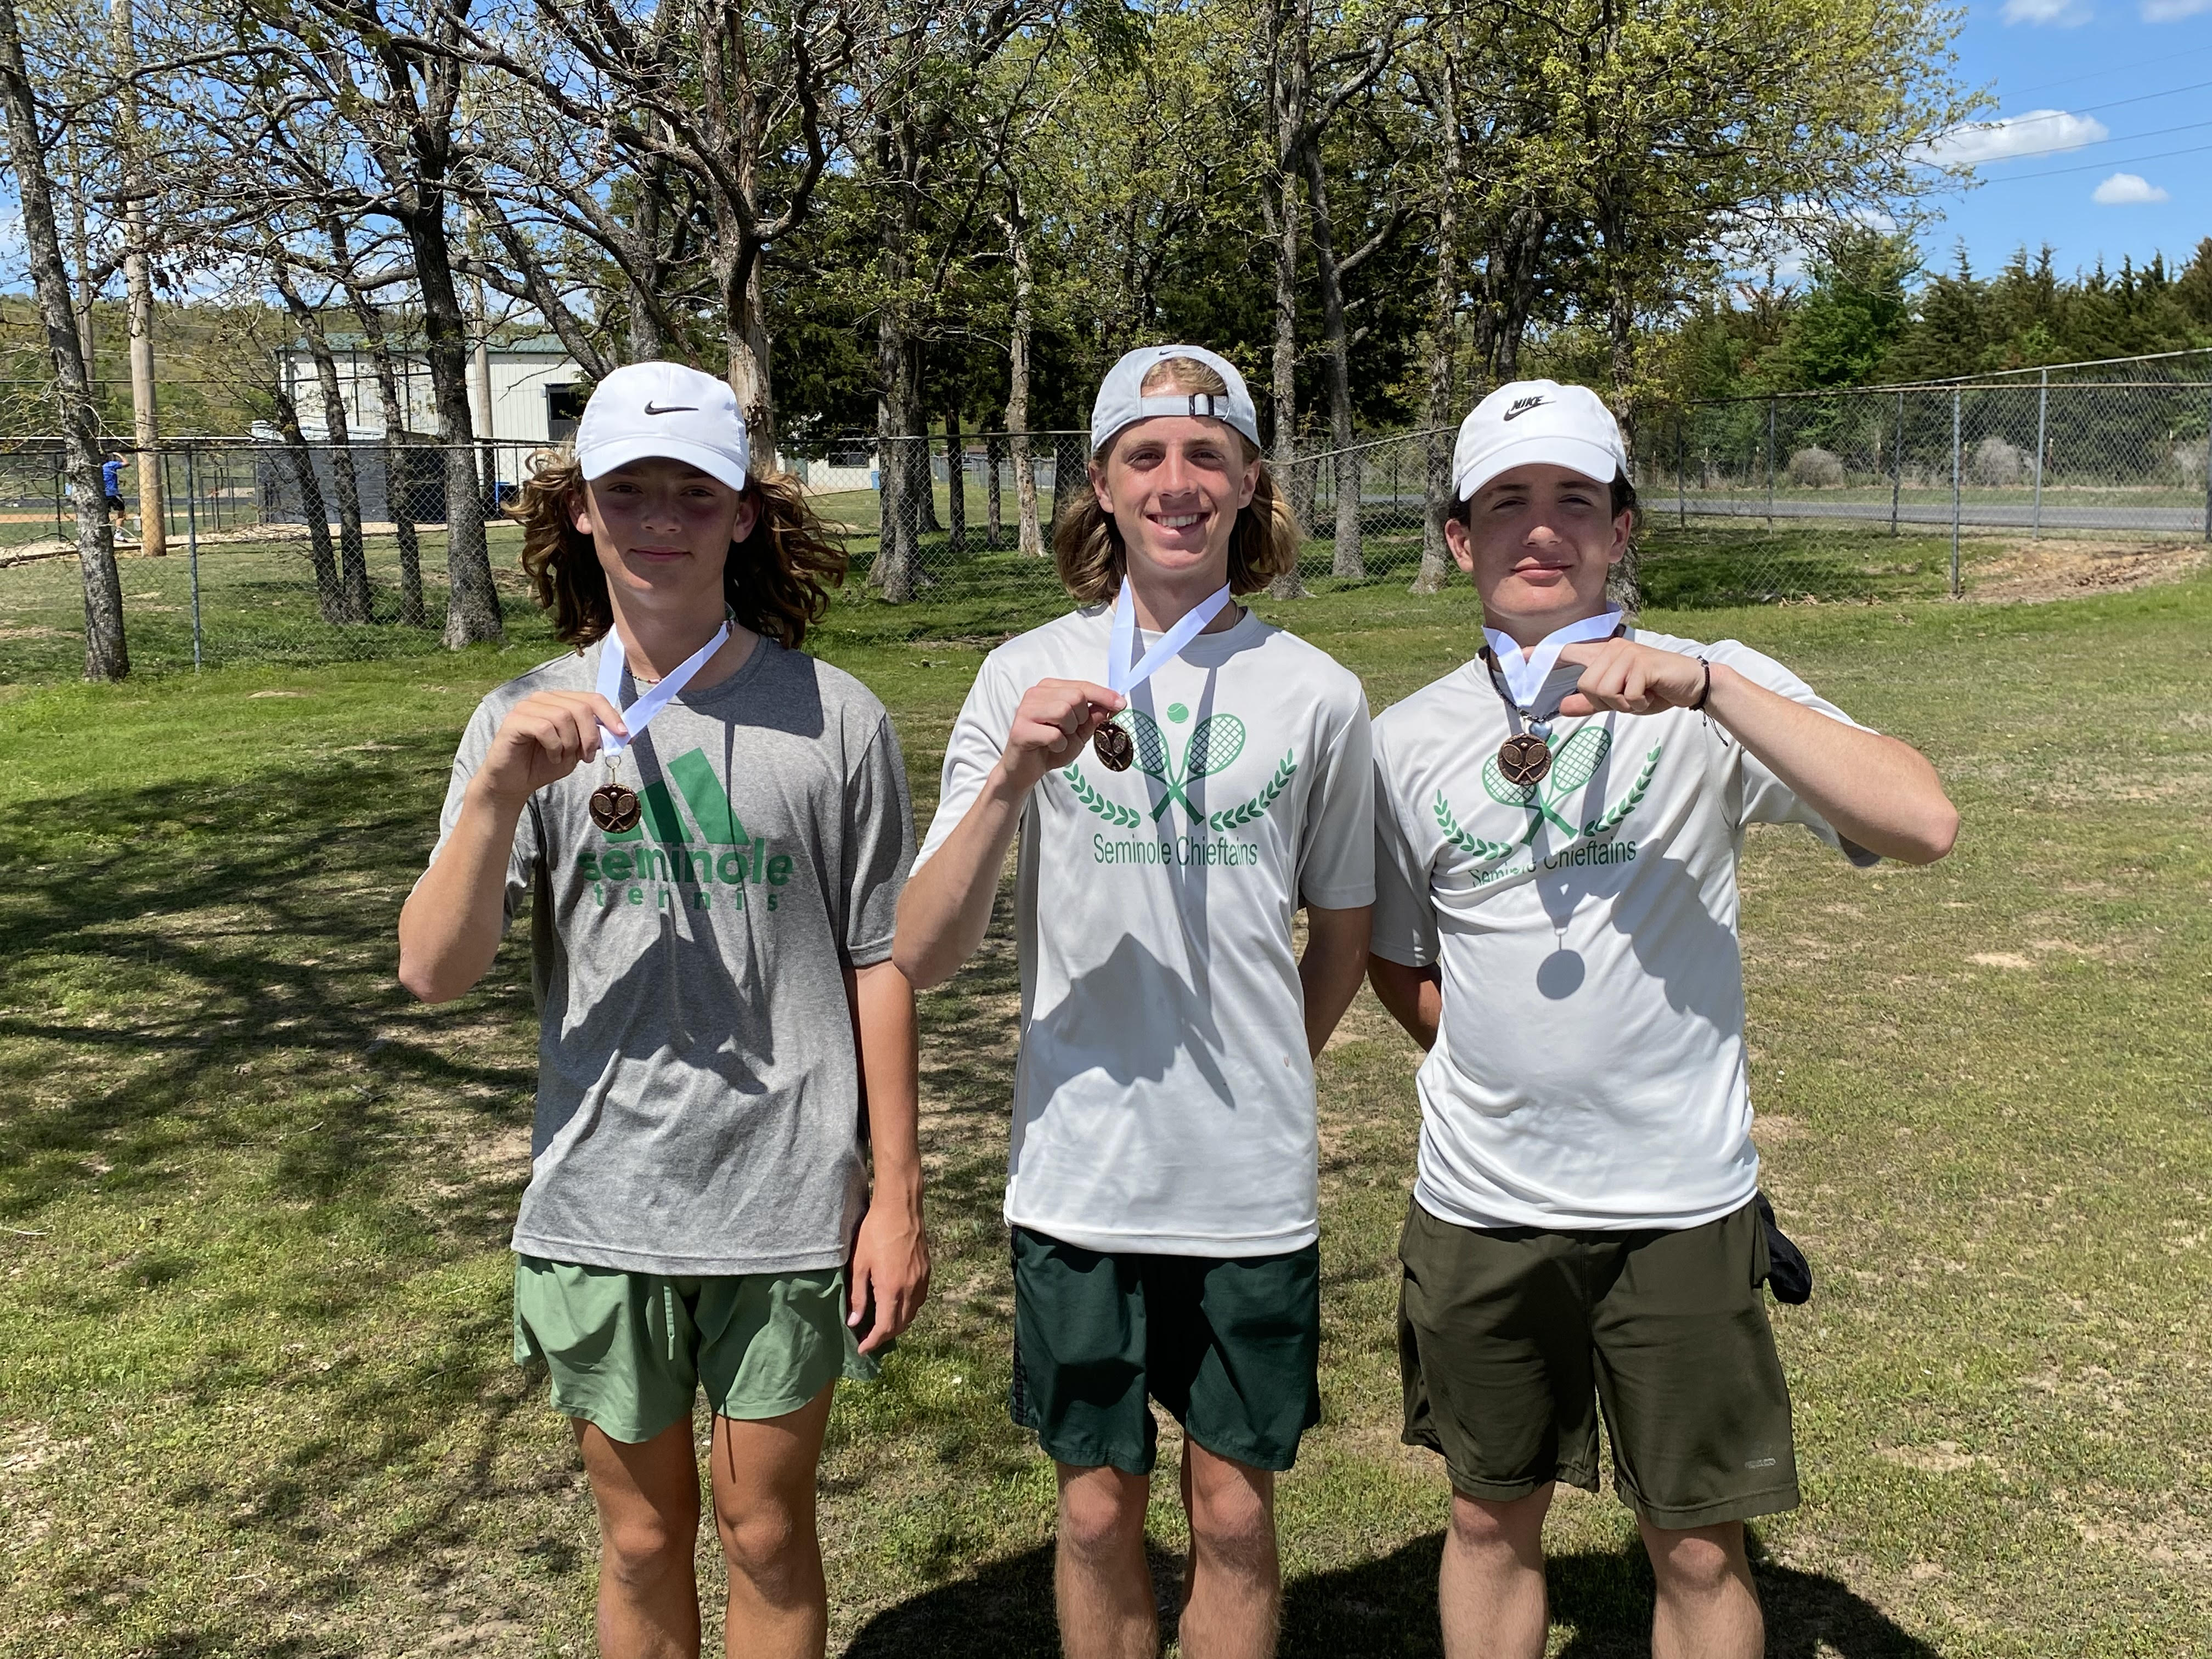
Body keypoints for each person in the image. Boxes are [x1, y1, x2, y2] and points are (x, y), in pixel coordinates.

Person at [1366, 380, 1960, 1659]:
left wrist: (1702, 686)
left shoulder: (1715, 689)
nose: (1542, 530)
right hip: (1481, 1208)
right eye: (1507, 502)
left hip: (1679, 1208)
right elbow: (1397, 958)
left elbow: (1923, 822)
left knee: (1696, 1542)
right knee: (1488, 1518)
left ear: (1622, 529)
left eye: (1575, 500)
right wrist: (1500, 1065)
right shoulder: (1405, 739)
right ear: (1460, 538)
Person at [396, 361, 929, 1659]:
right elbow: (432, 970)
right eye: (627, 491)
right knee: (638, 1543)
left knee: (765, 1531)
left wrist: (899, 1193)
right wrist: (496, 798)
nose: (659, 521)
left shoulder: (835, 719)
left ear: (744, 512)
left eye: (693, 493)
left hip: (788, 1202)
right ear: (580, 511)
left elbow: (882, 960)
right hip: (604, 1197)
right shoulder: (523, 720)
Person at [894, 345, 1374, 1659]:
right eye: (1146, 456)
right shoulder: (1020, 676)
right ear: (1100, 485)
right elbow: (923, 952)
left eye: (1207, 456)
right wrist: (1009, 780)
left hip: (1245, 1180)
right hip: (1079, 1172)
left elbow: (1341, 928)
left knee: (1230, 1512)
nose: (1178, 483)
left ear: (1250, 482)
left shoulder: (1318, 694)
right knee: (1100, 1514)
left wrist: (1275, 1056)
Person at [101, 456, 127, 534]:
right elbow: (126, 463)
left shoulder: (100, 467)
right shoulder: (110, 465)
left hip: (103, 494)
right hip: (113, 493)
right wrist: (120, 455)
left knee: (105, 514)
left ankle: (106, 532)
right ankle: (118, 532)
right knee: (121, 512)